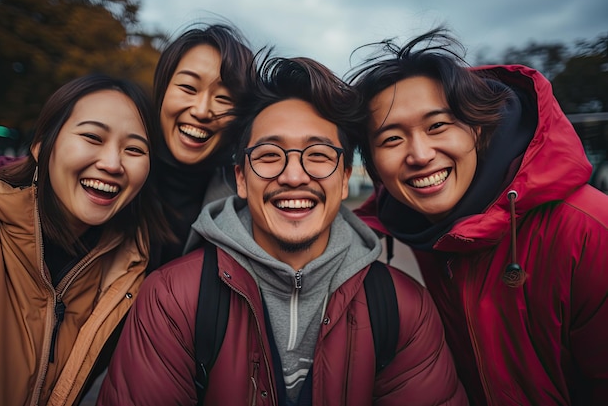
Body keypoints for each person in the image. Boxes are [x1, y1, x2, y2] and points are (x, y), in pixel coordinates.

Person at [96, 55, 467, 405]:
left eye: (319, 155)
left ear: (343, 180)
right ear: (241, 178)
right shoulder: (172, 298)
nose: (293, 176)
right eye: (269, 155)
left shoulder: (404, 308)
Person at [348, 27, 608, 405]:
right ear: (373, 164)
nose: (419, 155)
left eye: (437, 125)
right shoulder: (403, 233)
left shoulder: (589, 231)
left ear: (479, 129)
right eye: (391, 139)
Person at [0, 74, 171, 406]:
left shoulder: (130, 272)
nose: (112, 164)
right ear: (42, 146)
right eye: (92, 137)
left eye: (134, 149)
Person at [149, 22, 255, 270]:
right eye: (188, 88)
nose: (201, 111)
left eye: (224, 98)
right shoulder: (113, 176)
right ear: (162, 89)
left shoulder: (247, 206)